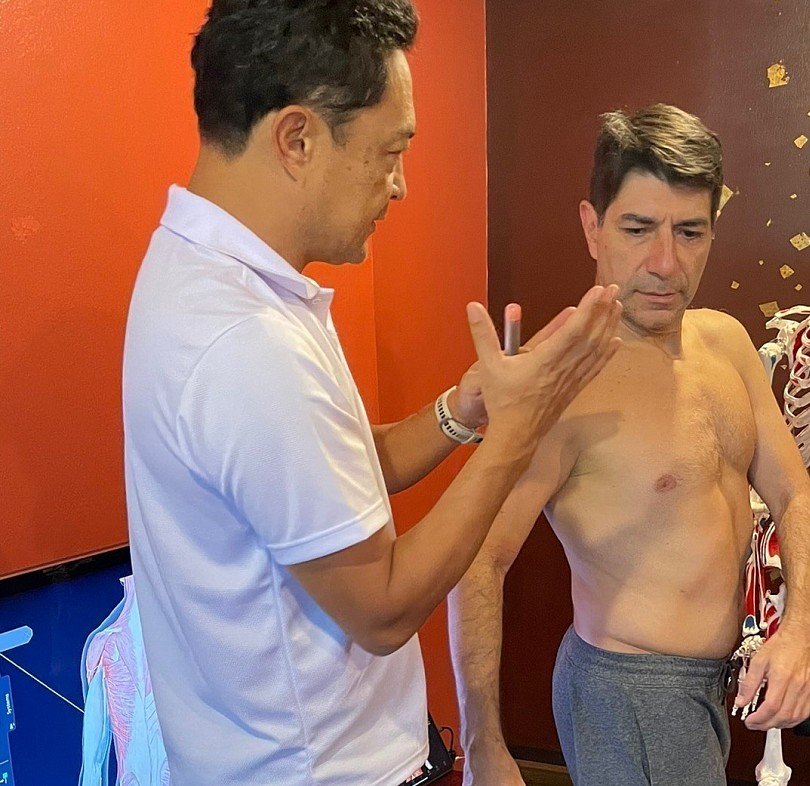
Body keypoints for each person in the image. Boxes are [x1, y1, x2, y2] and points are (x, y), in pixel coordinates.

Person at [121, 2, 622, 785]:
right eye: (390, 153)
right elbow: (383, 609)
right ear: (298, 138)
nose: (401, 187)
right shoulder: (246, 341)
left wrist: (466, 409)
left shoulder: (206, 273)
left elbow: (334, 479)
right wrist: (517, 436)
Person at [449, 104, 810, 786]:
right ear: (592, 227)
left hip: (707, 687)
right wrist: (484, 746)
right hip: (629, 692)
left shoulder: (726, 340)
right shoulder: (559, 383)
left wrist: (801, 628)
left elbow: (794, 494)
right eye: (637, 229)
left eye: (689, 232)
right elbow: (475, 558)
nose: (665, 263)